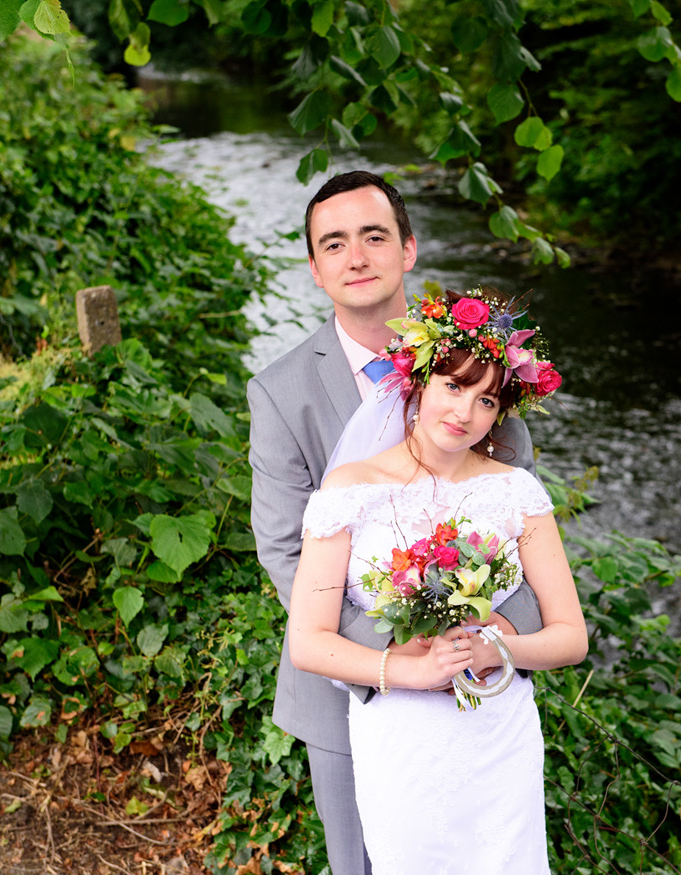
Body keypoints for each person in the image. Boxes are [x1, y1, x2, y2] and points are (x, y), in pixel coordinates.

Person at [246, 172, 546, 875]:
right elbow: (284, 547)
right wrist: (401, 652)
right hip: (356, 683)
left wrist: (495, 630)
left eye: (375, 236)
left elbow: (519, 514)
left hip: (481, 683)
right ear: (316, 269)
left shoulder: (476, 366)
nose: (357, 256)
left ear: (408, 249)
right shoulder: (281, 391)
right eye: (335, 243)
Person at [288, 288, 587, 871]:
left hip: (497, 734)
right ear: (418, 381)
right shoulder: (349, 491)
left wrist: (497, 646)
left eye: (486, 400)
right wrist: (408, 671)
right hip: (401, 737)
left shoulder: (516, 493)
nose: (465, 413)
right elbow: (308, 642)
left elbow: (571, 637)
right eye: (453, 386)